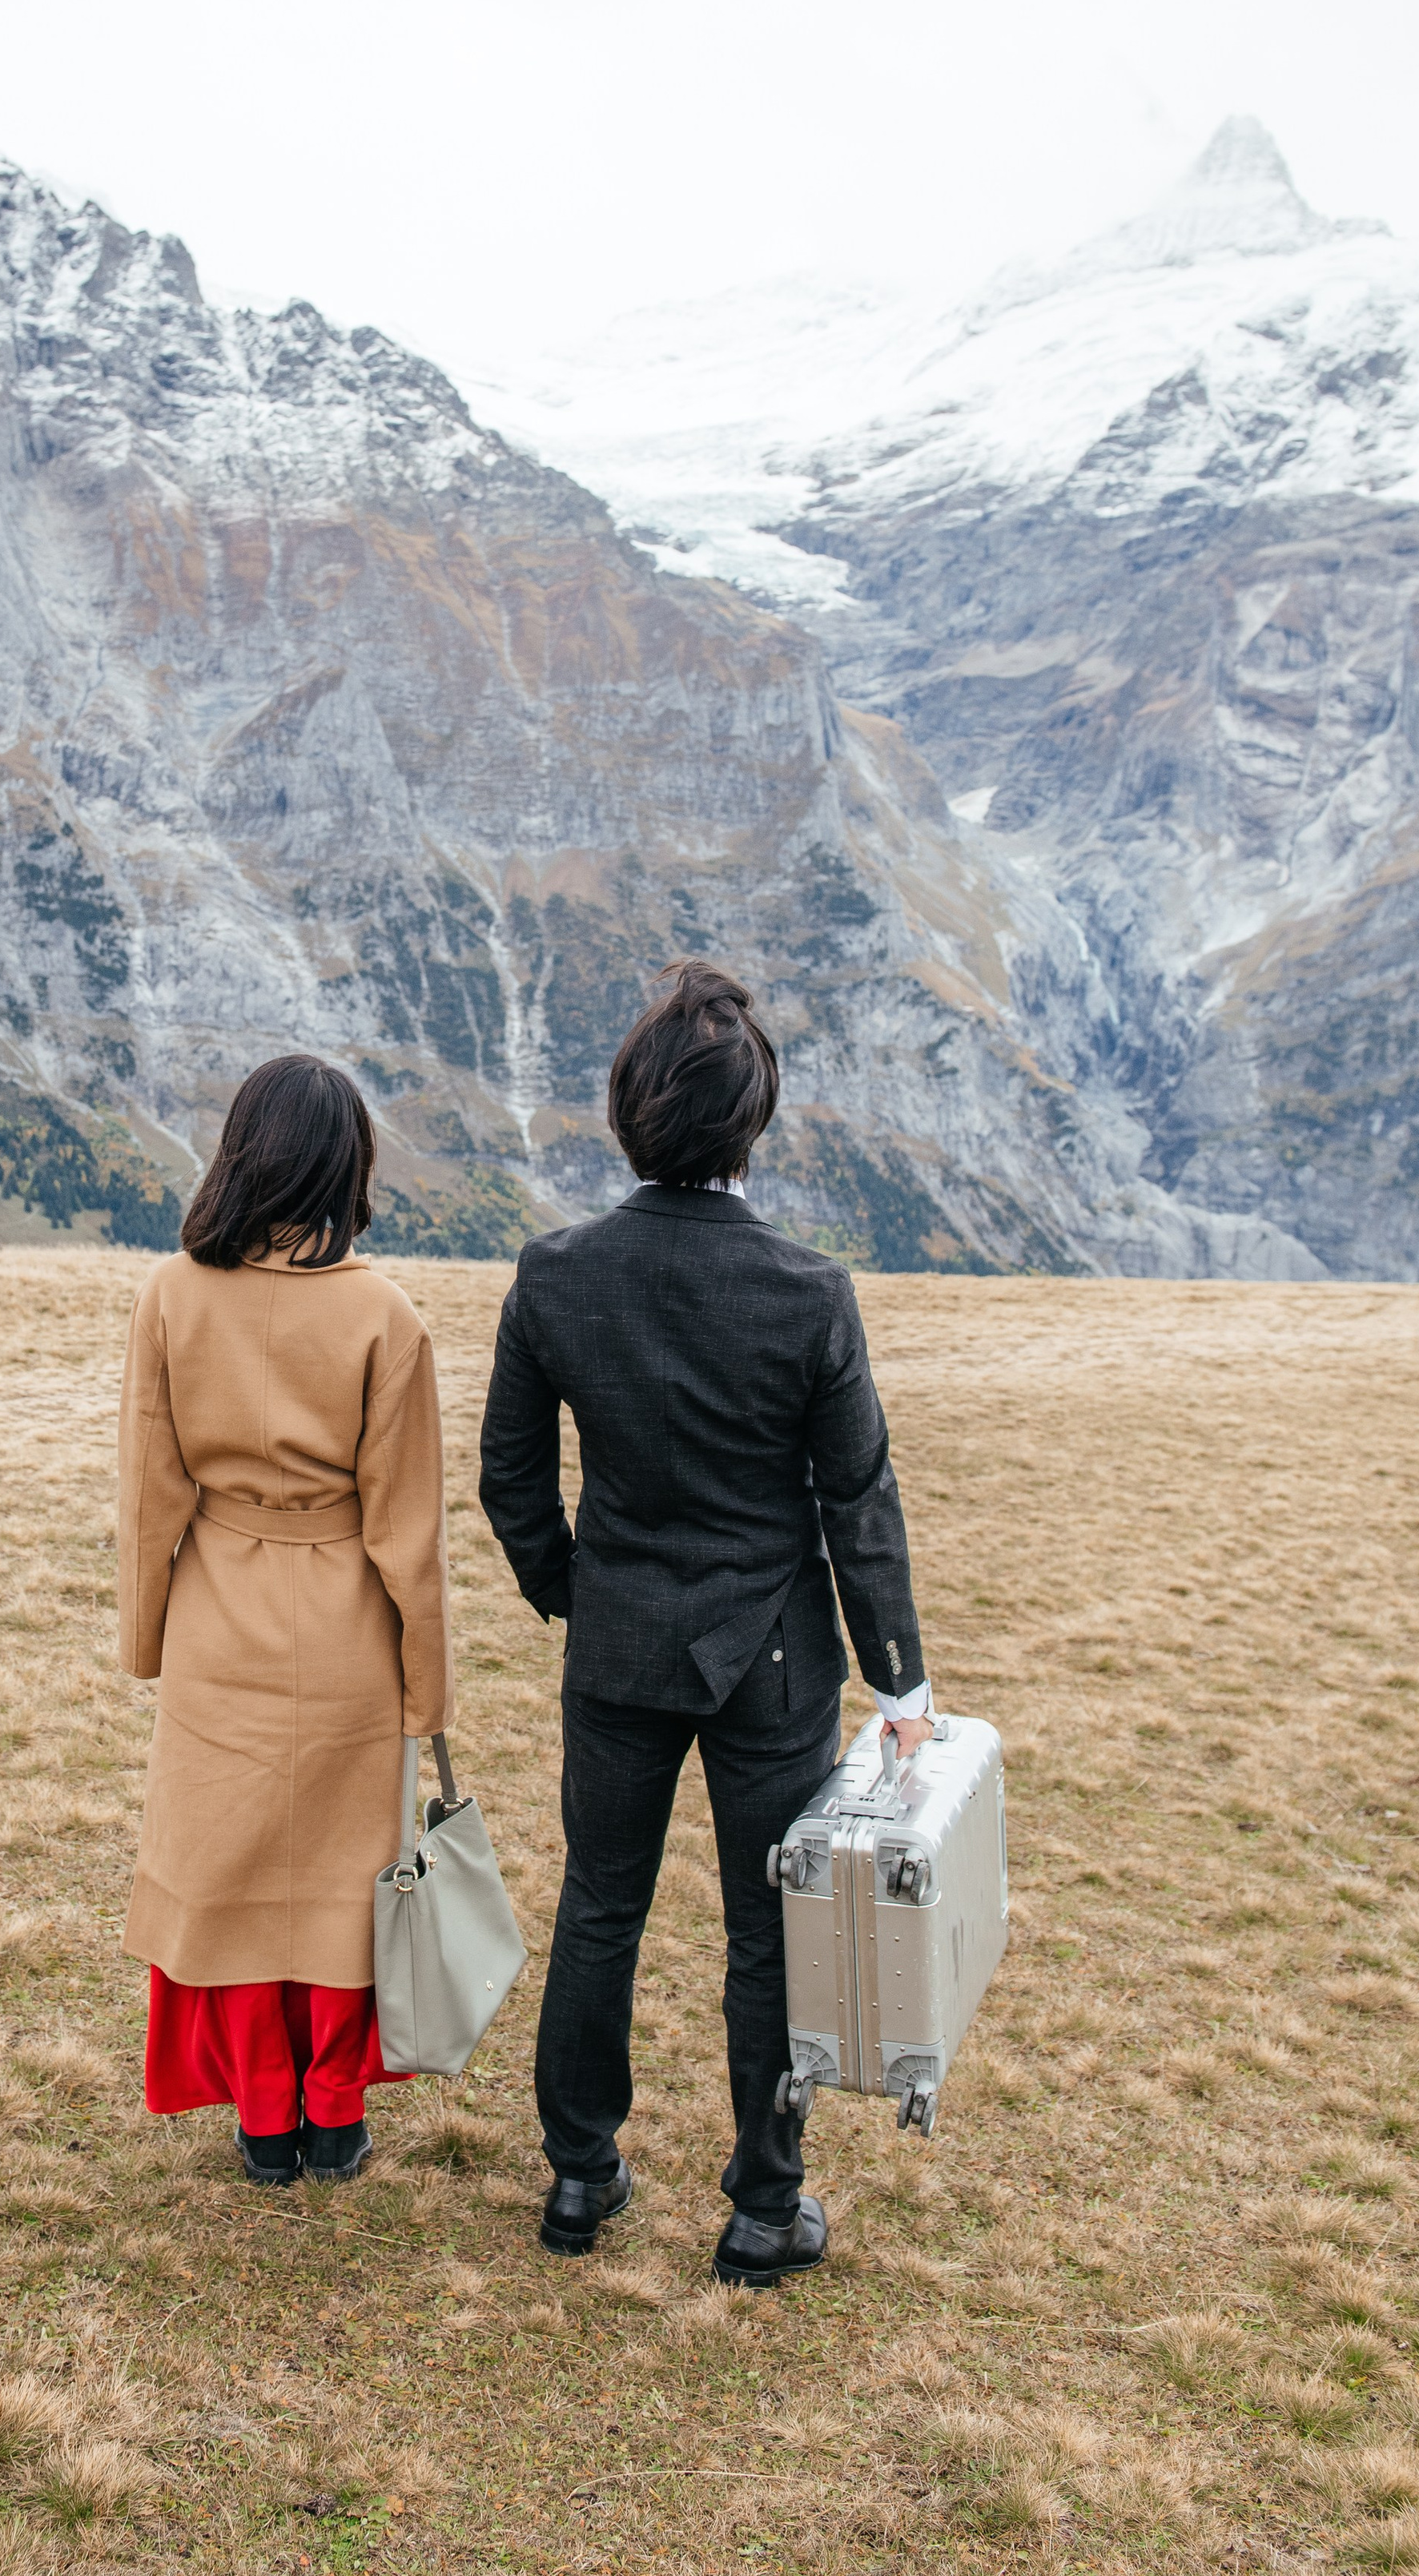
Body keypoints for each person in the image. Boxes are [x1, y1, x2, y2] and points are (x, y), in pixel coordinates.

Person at [477, 961, 932, 2286]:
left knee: (600, 1906)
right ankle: (762, 2203)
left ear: (630, 1111)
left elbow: (511, 1477)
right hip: (773, 1661)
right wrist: (900, 1685)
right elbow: (858, 1497)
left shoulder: (556, 1275)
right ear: (755, 1121)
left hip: (617, 1641)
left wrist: (576, 1589)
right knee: (767, 1928)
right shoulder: (808, 1291)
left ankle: (579, 2172)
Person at [117, 1054, 453, 2185]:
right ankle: (336, 2117)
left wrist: (145, 1636)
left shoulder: (170, 1294)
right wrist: (428, 1691)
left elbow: (150, 1493)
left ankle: (263, 2121)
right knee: (346, 1883)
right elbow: (410, 1533)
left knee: (234, 1876)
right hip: (347, 1624)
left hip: (219, 1616)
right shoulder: (386, 1314)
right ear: (345, 1164)